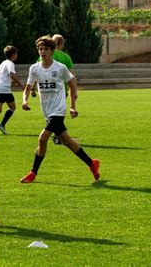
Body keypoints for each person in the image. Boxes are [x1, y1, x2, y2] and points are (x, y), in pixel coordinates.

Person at [20, 35, 100, 184]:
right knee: (67, 141)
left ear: (52, 50)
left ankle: (33, 172)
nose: (42, 51)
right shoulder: (34, 68)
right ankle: (92, 163)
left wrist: (72, 105)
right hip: (47, 111)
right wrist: (25, 100)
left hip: (58, 109)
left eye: (45, 49)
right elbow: (28, 87)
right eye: (40, 49)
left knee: (42, 138)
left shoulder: (59, 68)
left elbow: (72, 84)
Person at [0, 45, 25, 135]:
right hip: (4, 89)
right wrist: (21, 86)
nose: (17, 55)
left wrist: (12, 83)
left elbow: (4, 77)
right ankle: (1, 125)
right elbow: (12, 75)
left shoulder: (4, 63)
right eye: (16, 54)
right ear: (13, 54)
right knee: (13, 107)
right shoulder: (10, 63)